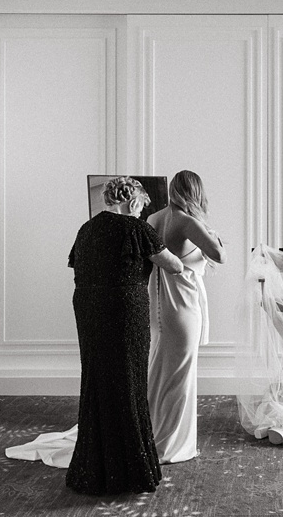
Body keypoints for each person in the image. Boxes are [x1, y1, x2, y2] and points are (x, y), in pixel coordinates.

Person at [52, 176, 182, 495]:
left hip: (88, 306)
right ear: (133, 201)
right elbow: (174, 266)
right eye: (142, 204)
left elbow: (79, 266)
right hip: (124, 308)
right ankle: (130, 469)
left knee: (97, 378)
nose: (142, 210)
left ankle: (94, 465)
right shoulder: (137, 228)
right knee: (128, 378)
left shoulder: (87, 229)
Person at [146, 170, 226, 464]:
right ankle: (170, 445)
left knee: (160, 373)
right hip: (182, 307)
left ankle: (151, 435)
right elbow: (220, 255)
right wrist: (213, 234)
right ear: (195, 192)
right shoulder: (186, 221)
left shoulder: (153, 219)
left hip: (158, 306)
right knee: (180, 376)